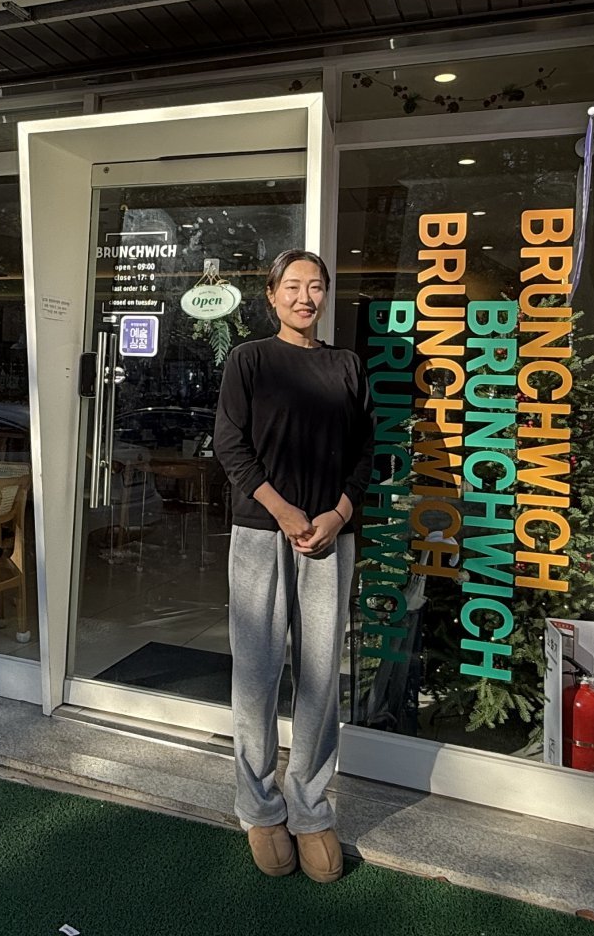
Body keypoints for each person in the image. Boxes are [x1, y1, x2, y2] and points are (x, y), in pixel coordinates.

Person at [213, 249, 373, 884]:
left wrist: (335, 516)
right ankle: (257, 805)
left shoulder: (347, 365)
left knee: (318, 679)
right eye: (294, 287)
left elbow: (366, 451)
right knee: (256, 675)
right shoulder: (249, 359)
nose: (305, 297)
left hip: (330, 538)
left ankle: (310, 808)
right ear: (272, 295)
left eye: (316, 287)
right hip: (261, 533)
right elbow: (231, 444)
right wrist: (284, 512)